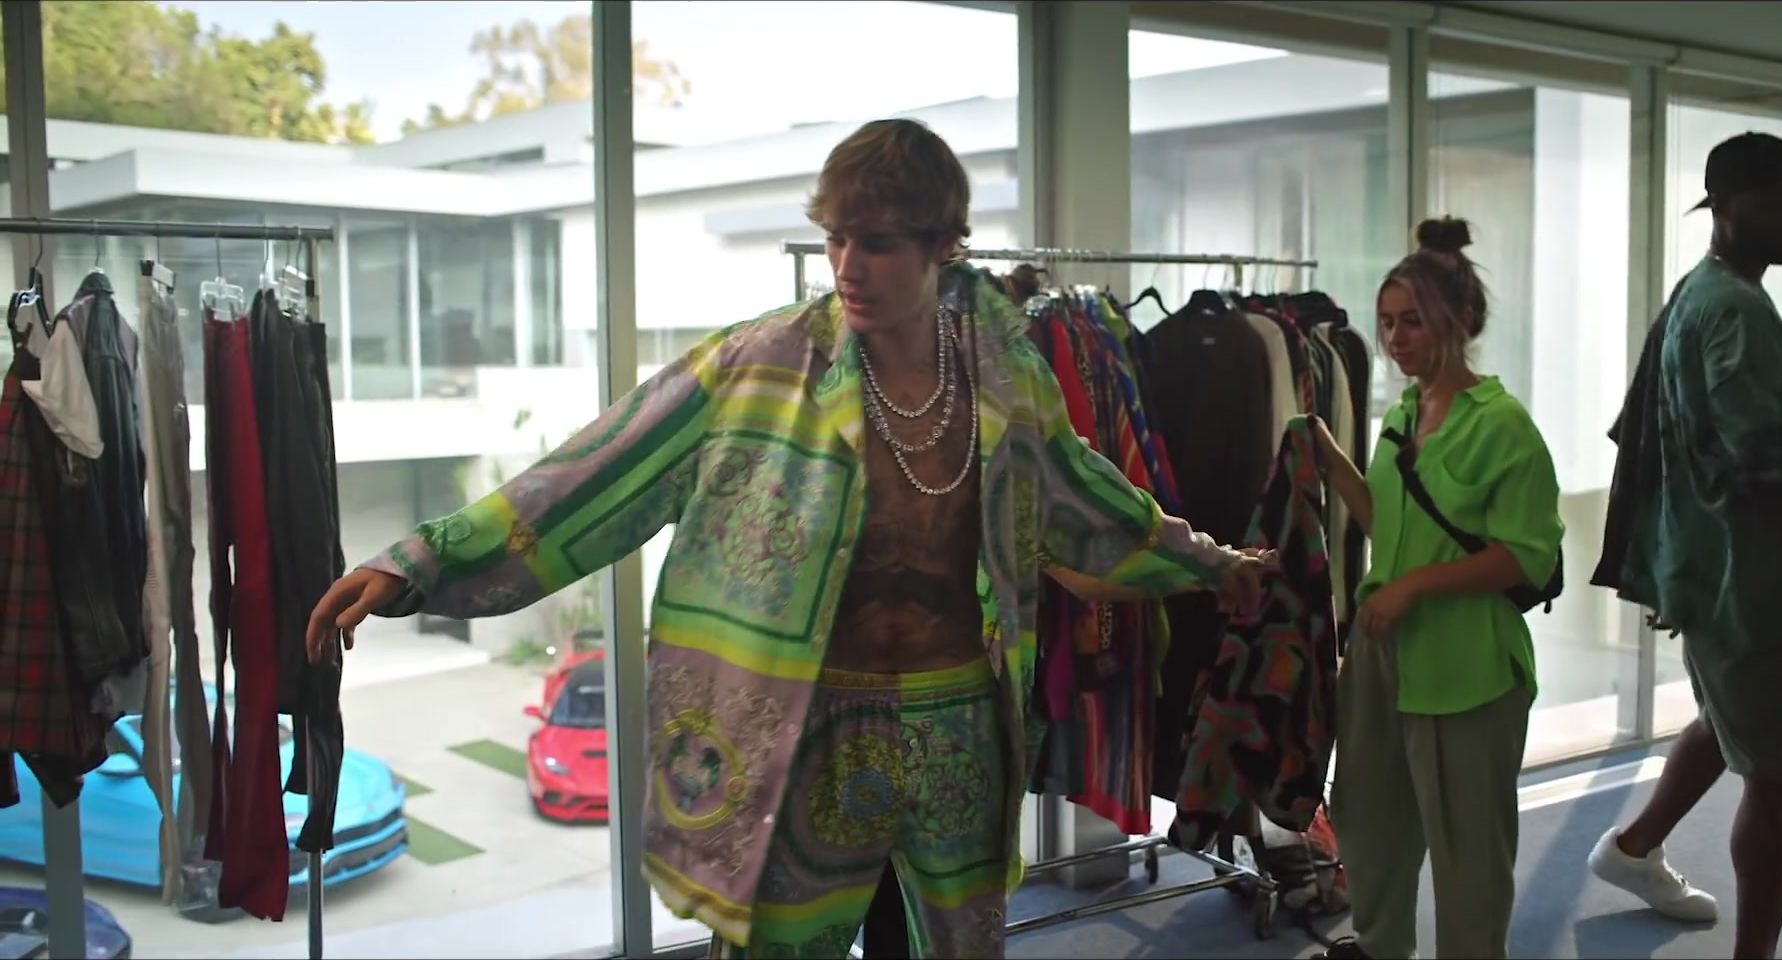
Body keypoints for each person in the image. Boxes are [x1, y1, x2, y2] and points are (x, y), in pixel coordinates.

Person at [303, 117, 1269, 960]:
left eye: (877, 243)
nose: (848, 266)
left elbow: (1089, 503)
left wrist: (1212, 565)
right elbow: (595, 472)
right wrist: (422, 560)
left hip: (958, 721)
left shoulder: (1008, 380)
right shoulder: (758, 366)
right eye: (837, 237)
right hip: (803, 724)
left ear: (944, 245)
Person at [1585, 131, 1782, 960]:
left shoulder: (1699, 292)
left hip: (1701, 568)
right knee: (1777, 778)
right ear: (1731, 204)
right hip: (1746, 583)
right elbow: (1765, 475)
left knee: (1723, 720)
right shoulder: (1739, 314)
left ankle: (1632, 848)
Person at [1309, 217, 1566, 960]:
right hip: (1384, 654)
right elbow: (1393, 525)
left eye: (1412, 321)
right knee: (1369, 819)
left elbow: (1524, 555)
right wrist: (1332, 463)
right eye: (1387, 322)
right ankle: (1380, 945)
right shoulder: (1403, 414)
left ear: (1461, 321)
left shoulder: (1503, 426)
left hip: (1467, 666)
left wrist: (1417, 587)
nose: (1395, 338)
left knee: (1469, 854)